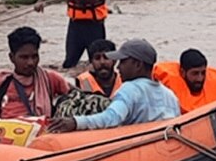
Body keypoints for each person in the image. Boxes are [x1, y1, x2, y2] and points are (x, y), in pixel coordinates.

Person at [46, 39, 180, 133]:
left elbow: (111, 118)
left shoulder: (130, 89)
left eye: (123, 61)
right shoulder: (170, 95)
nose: (118, 66)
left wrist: (75, 122)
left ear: (138, 65)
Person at [153, 48, 216, 113]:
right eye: (195, 73)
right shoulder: (166, 91)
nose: (200, 78)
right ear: (183, 72)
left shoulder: (215, 87)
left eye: (203, 73)